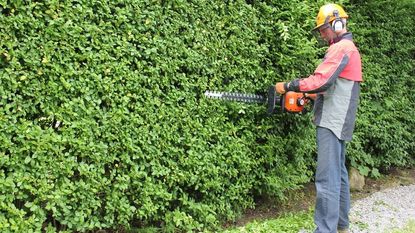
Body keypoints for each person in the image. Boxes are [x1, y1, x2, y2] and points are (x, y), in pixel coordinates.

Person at [275, 3, 362, 233]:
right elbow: (332, 87)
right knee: (340, 174)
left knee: (326, 179)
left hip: (332, 122)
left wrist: (288, 86)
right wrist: (308, 95)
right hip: (340, 119)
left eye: (324, 28)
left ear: (337, 23)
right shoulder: (349, 47)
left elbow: (321, 80)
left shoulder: (341, 48)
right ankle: (341, 225)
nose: (322, 34)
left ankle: (324, 230)